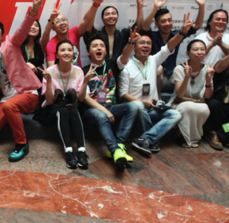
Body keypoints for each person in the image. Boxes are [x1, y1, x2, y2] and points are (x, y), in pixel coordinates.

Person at [0, 0, 45, 162]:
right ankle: (13, 116)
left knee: (10, 106)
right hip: (6, 99)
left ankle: (21, 144)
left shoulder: (11, 43)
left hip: (27, 93)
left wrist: (33, 11)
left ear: (2, 34)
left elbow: (23, 30)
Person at [117, 15, 192, 155]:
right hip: (136, 108)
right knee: (138, 105)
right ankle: (151, 140)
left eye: (149, 43)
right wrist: (142, 101)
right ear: (134, 46)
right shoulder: (126, 65)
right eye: (141, 43)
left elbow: (169, 46)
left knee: (175, 114)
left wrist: (182, 32)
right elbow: (123, 95)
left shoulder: (153, 60)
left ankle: (146, 139)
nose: (146, 45)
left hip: (153, 108)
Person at [79, 35, 138, 170]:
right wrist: (105, 111)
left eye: (102, 46)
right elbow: (85, 98)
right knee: (101, 115)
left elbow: (124, 56)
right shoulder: (83, 71)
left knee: (133, 107)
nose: (99, 48)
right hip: (92, 110)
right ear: (88, 52)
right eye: (95, 46)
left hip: (111, 107)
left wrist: (130, 42)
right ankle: (114, 150)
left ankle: (120, 145)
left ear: (106, 51)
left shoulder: (112, 66)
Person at [40, 41, 93, 169]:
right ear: (57, 55)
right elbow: (49, 99)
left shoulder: (78, 71)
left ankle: (81, 151)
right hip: (52, 109)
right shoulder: (50, 71)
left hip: (71, 107)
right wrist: (48, 81)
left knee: (73, 110)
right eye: (62, 50)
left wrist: (85, 81)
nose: (67, 53)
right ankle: (68, 151)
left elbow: (81, 99)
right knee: (62, 111)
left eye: (69, 50)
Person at [139, 0, 206, 91]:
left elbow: (197, 25)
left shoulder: (177, 35)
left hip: (172, 76)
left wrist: (201, 6)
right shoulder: (152, 36)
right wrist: (155, 8)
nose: (167, 23)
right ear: (156, 24)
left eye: (169, 20)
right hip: (153, 76)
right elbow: (145, 26)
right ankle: (158, 98)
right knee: (159, 68)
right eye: (163, 21)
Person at [168, 39, 214, 148]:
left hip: (199, 104)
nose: (199, 52)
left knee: (205, 109)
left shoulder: (207, 70)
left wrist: (208, 80)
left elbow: (208, 96)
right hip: (178, 103)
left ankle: (193, 137)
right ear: (188, 53)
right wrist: (187, 77)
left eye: (202, 49)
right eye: (196, 49)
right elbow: (180, 95)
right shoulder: (179, 69)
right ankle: (180, 135)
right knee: (188, 107)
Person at [41, 0, 104, 66]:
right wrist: (51, 19)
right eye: (57, 21)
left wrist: (95, 5)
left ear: (68, 22)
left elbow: (86, 20)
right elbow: (51, 68)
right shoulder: (51, 45)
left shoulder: (73, 32)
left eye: (64, 20)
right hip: (60, 73)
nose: (62, 23)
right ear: (53, 28)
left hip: (78, 72)